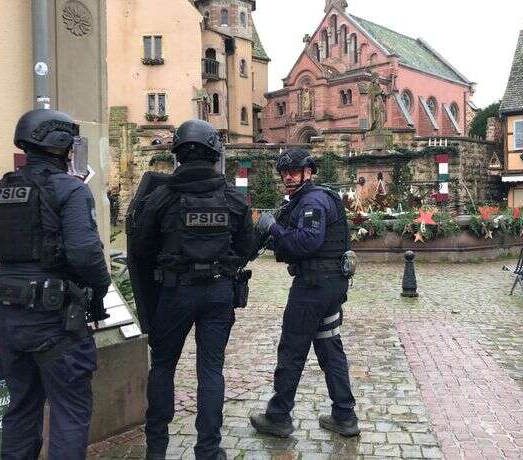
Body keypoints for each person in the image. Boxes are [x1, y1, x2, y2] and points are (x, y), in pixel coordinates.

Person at [0, 109, 111, 459]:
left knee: (21, 407)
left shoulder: (2, 189)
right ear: (60, 145)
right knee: (69, 412)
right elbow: (85, 253)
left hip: (8, 315)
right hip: (53, 320)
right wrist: (100, 288)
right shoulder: (70, 189)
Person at [130, 119, 255, 460]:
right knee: (211, 370)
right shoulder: (234, 198)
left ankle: (156, 451)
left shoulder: (161, 197)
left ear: (179, 155)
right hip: (218, 294)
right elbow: (247, 247)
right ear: (216, 153)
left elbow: (139, 248)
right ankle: (209, 451)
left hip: (175, 293)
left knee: (163, 367)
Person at [249, 148, 359, 438]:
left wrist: (272, 226)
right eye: (284, 172)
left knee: (292, 349)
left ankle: (278, 417)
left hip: (313, 287)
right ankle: (345, 416)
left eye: (294, 171)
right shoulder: (306, 200)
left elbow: (307, 242)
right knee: (328, 346)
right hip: (330, 284)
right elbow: (295, 241)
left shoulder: (313, 201)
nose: (288, 176)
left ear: (308, 172)